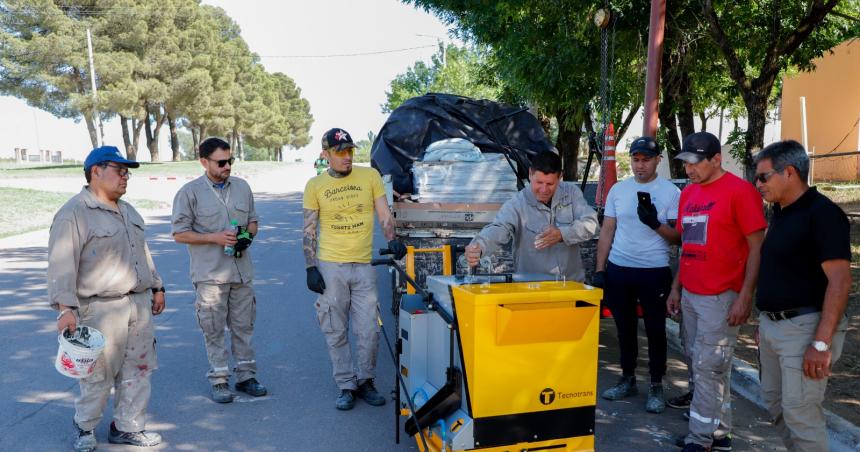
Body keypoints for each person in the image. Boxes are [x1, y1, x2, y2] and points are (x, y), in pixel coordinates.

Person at [48, 145, 165, 452]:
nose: (126, 178)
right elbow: (62, 263)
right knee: (98, 376)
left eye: (127, 173)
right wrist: (65, 309)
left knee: (138, 370)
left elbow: (143, 253)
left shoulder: (128, 211)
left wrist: (157, 286)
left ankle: (128, 427)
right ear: (96, 172)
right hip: (99, 308)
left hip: (138, 304)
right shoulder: (74, 213)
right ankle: (85, 426)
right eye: (119, 170)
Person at [667, 132, 767, 452]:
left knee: (707, 368)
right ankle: (720, 434)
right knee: (709, 366)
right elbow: (688, 247)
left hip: (721, 297)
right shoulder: (688, 195)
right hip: (692, 294)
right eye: (685, 163)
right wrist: (676, 289)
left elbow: (756, 248)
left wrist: (745, 296)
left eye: (695, 163)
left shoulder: (741, 192)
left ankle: (699, 440)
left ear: (716, 160)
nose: (689, 170)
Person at [754, 140, 850, 452]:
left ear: (790, 173)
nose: (758, 184)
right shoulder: (781, 212)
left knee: (801, 413)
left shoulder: (822, 214)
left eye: (763, 177)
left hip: (805, 327)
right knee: (777, 405)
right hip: (773, 327)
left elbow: (839, 281)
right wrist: (765, 322)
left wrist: (821, 343)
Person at [303, 127, 407, 410]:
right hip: (330, 266)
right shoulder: (315, 186)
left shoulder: (369, 176)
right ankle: (346, 384)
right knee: (335, 328)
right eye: (340, 153)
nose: (347, 157)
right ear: (326, 155)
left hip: (363, 266)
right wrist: (311, 266)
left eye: (349, 151)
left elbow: (384, 214)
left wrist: (393, 239)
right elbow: (309, 229)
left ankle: (366, 380)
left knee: (369, 329)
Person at [172, 137, 266, 403]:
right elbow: (179, 234)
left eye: (230, 161)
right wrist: (214, 237)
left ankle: (246, 376)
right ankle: (220, 380)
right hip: (210, 276)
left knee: (244, 326)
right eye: (221, 162)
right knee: (212, 329)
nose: (227, 167)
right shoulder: (189, 193)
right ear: (204, 162)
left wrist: (247, 236)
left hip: (241, 272)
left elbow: (253, 222)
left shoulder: (242, 187)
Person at [593, 136, 680, 413]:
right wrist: (600, 269)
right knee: (624, 328)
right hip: (620, 269)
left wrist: (655, 223)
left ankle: (656, 384)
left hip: (654, 270)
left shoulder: (671, 193)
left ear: (658, 161)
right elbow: (607, 231)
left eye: (646, 160)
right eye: (636, 159)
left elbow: (678, 238)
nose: (640, 165)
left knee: (655, 330)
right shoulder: (618, 190)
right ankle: (627, 379)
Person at [465, 151, 599, 280]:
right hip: (532, 288)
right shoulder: (517, 204)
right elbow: (499, 228)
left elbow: (592, 224)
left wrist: (562, 234)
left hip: (571, 285)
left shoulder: (572, 193)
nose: (544, 189)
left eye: (550, 184)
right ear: (530, 174)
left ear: (560, 177)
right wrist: (479, 246)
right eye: (539, 183)